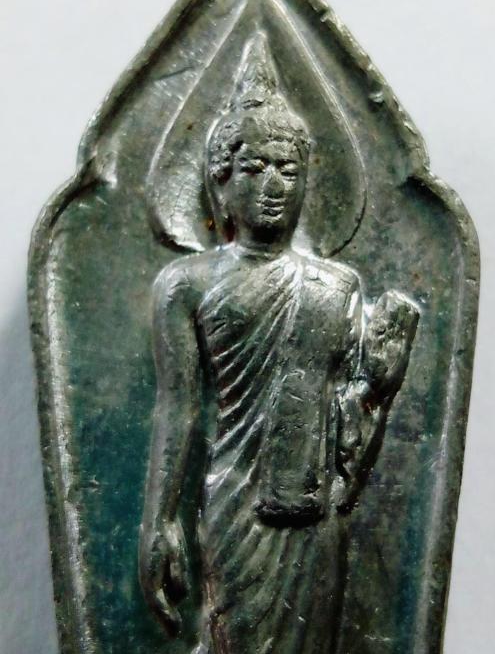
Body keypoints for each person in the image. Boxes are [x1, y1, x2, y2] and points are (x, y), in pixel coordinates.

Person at [139, 32, 418, 653]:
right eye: (255, 168)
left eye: (289, 170)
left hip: (313, 511)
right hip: (235, 500)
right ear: (220, 182)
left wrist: (377, 387)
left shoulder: (335, 286)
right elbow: (178, 408)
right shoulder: (186, 285)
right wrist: (159, 521)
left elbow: (351, 433)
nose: (274, 185)